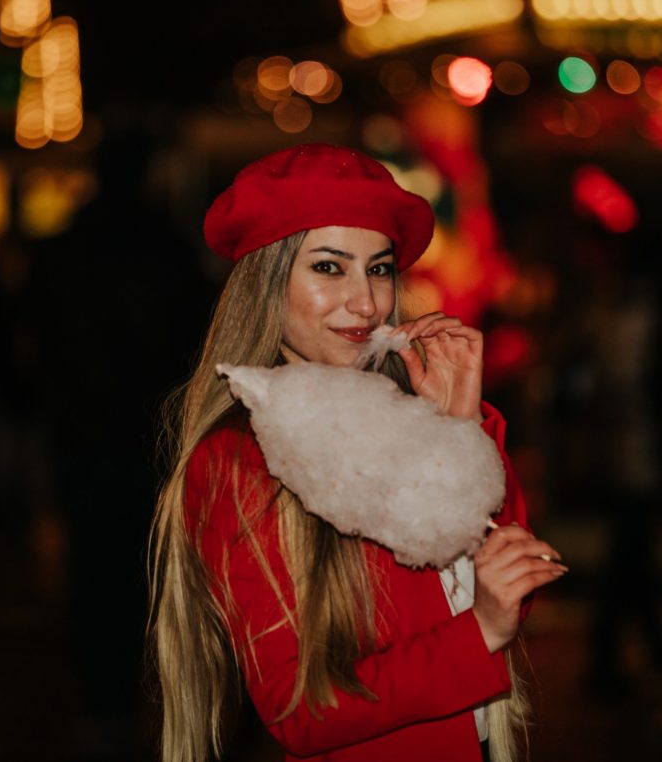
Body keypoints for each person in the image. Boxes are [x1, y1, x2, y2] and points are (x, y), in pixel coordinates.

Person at [147, 144, 565, 762]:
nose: (367, 304)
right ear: (267, 283)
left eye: (378, 268)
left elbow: (507, 585)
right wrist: (481, 631)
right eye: (329, 267)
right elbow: (300, 710)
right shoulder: (237, 459)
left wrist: (460, 427)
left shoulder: (404, 413)